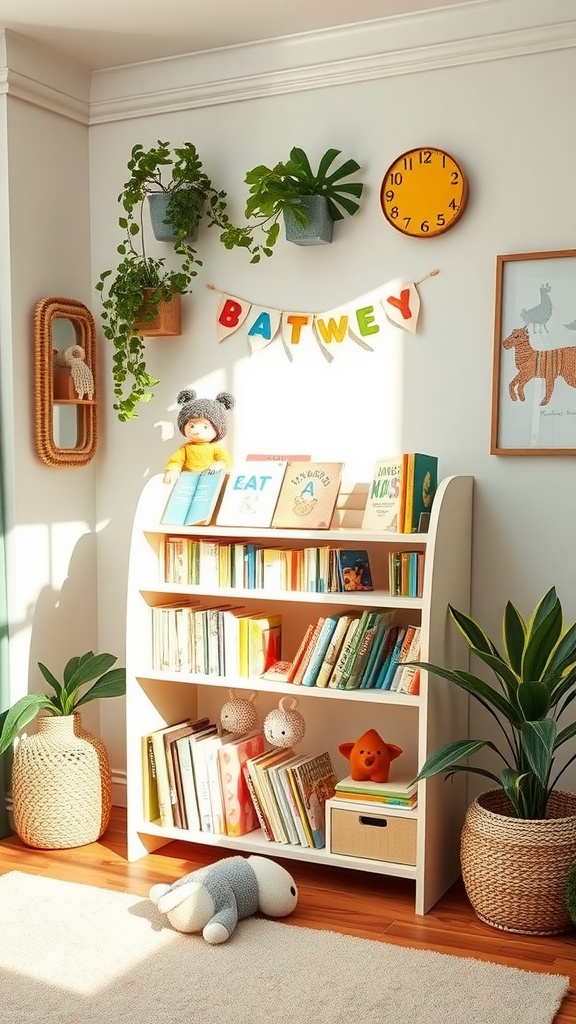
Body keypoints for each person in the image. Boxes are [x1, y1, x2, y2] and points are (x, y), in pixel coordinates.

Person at [164, 389, 235, 484]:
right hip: (187, 482)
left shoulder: (215, 449)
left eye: (205, 427)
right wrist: (173, 470)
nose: (196, 431)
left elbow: (226, 461)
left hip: (209, 481)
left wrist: (220, 464)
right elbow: (175, 460)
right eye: (192, 426)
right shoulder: (185, 449)